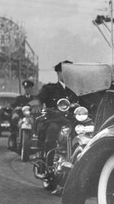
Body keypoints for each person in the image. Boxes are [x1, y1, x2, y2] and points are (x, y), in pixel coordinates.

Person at [34, 60, 80, 195]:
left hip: (72, 121)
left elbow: (87, 103)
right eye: (63, 71)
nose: (66, 74)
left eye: (69, 72)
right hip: (54, 120)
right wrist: (35, 106)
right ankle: (49, 168)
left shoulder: (76, 90)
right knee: (52, 132)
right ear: (58, 73)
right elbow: (38, 99)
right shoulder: (50, 89)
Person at [7, 80, 36, 150]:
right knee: (14, 119)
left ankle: (39, 141)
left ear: (31, 88)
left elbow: (39, 106)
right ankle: (13, 139)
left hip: (32, 117)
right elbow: (13, 105)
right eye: (25, 88)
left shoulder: (35, 99)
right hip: (21, 117)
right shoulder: (19, 98)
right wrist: (12, 107)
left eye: (28, 88)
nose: (27, 90)